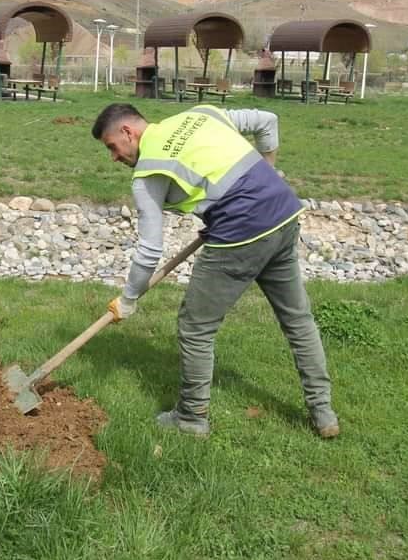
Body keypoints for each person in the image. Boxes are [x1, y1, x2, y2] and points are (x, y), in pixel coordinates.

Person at [92, 101, 339, 439]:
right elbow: (268, 120)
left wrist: (129, 297)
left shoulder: (148, 171)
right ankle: (324, 414)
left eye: (112, 147)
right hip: (282, 211)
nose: (114, 157)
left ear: (127, 132)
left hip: (242, 231)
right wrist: (266, 172)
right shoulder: (200, 115)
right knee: (298, 319)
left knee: (195, 327)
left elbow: (149, 251)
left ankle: (191, 418)